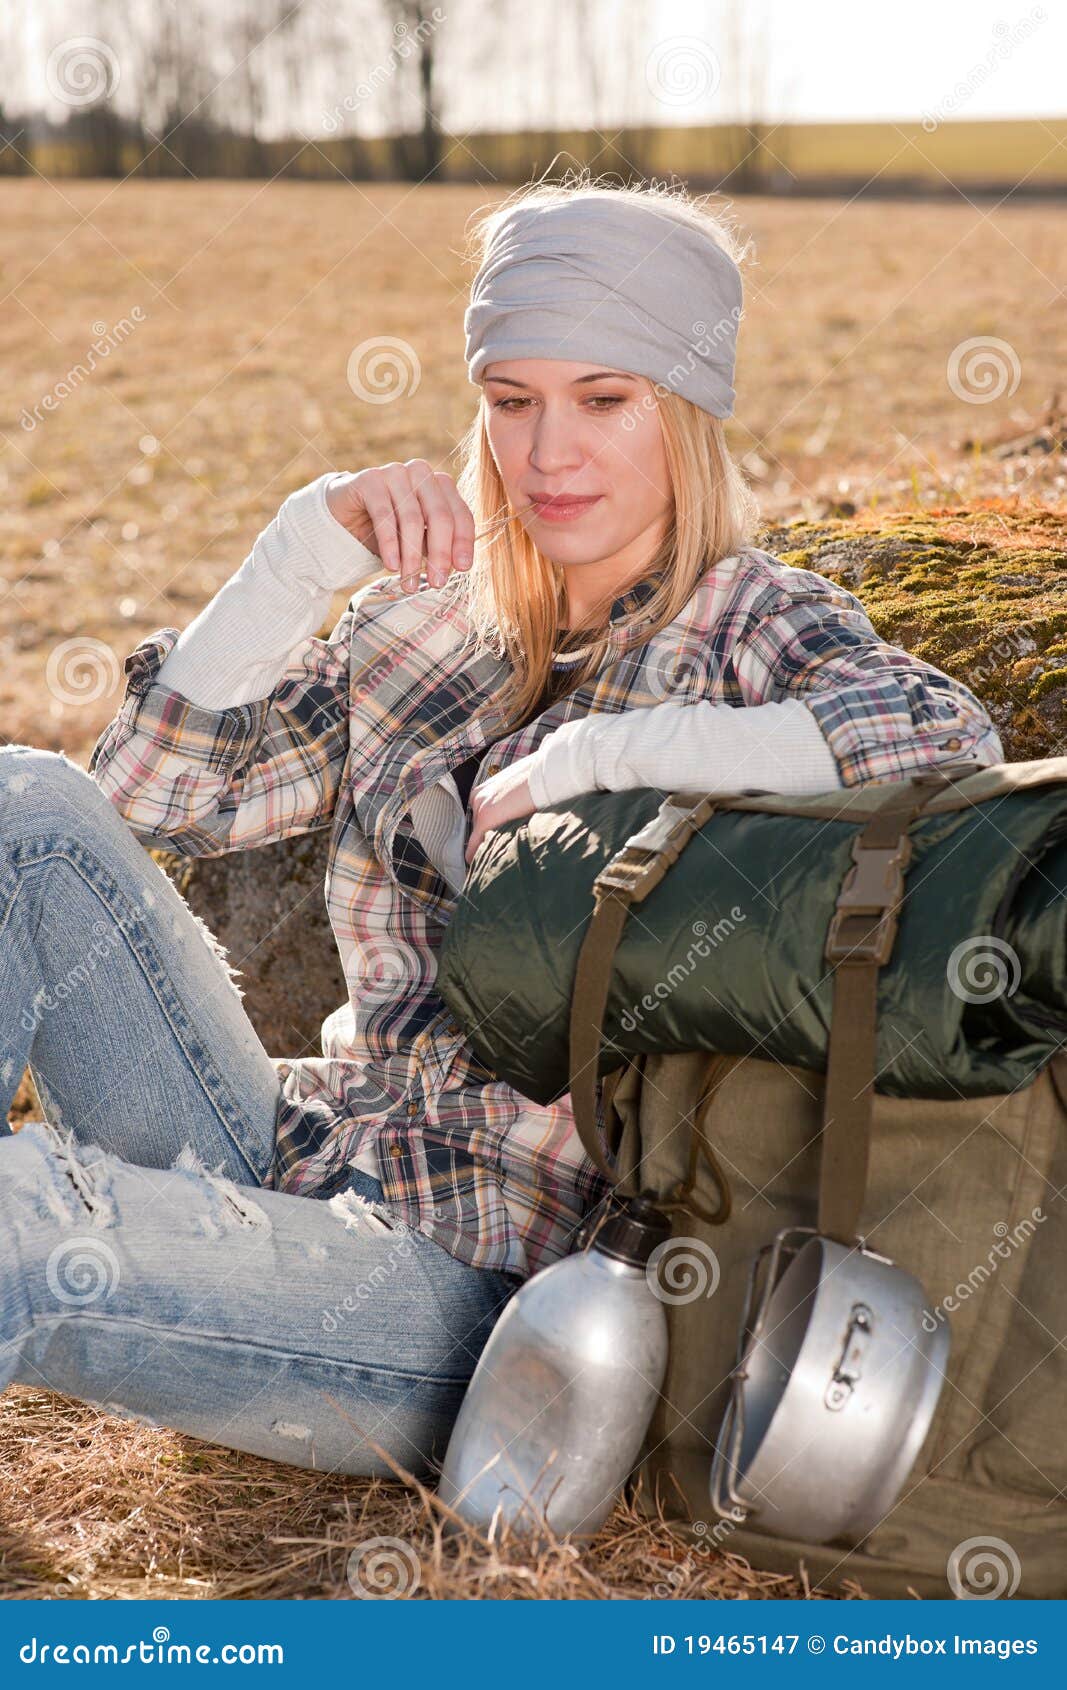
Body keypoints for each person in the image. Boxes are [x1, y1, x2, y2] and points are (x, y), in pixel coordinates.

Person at [0, 175, 1002, 1481]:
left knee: (24, 1221)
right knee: (25, 803)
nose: (548, 453)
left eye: (605, 398)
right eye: (512, 399)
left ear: (687, 410)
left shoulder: (750, 627)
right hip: (306, 1147)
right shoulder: (419, 627)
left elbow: (941, 744)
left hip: (485, 1297)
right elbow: (148, 798)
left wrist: (610, 755)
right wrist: (299, 554)